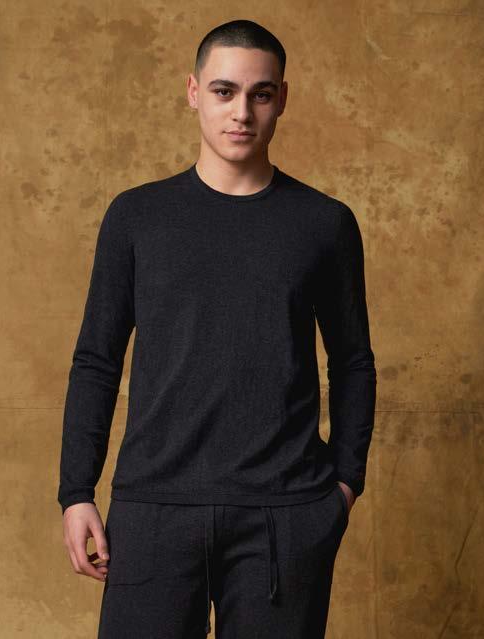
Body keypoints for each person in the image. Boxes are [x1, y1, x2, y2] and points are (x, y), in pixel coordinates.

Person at [58, 18, 377, 639]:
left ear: (282, 99)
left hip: (285, 514)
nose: (242, 112)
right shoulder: (136, 217)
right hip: (153, 509)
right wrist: (76, 491)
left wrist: (343, 487)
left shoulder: (324, 224)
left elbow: (353, 361)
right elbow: (97, 359)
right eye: (224, 91)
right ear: (193, 92)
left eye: (261, 94)